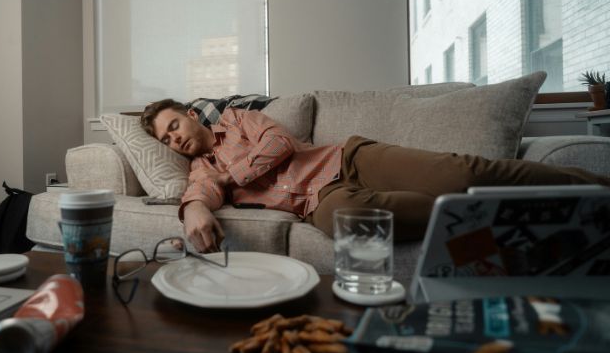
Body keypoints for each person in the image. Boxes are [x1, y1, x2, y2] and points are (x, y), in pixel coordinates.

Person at [140, 99, 610, 253]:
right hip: (317, 201)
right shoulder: (201, 171)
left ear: (190, 115)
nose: (174, 139)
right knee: (353, 225)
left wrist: (232, 178)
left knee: (462, 173)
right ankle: (514, 221)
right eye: (165, 139)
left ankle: (596, 194)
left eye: (174, 126)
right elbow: (199, 193)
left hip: (348, 160)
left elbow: (279, 145)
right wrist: (197, 206)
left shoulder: (239, 119)